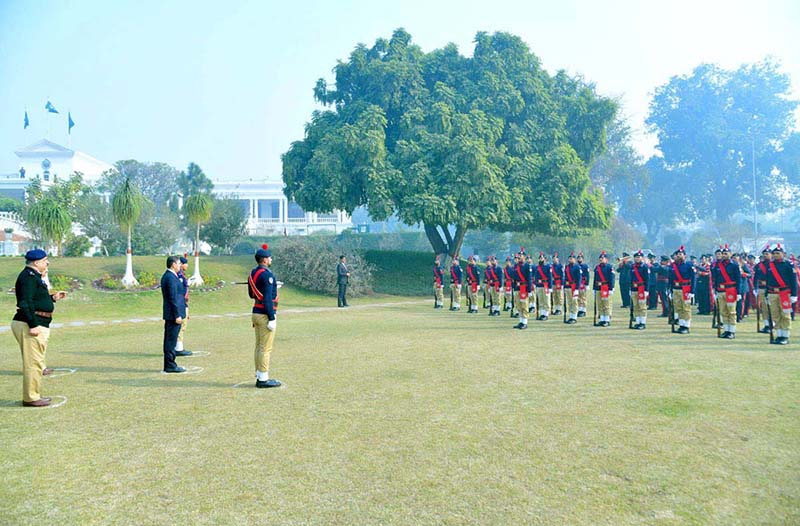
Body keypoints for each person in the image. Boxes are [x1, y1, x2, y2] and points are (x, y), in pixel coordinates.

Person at [11, 249, 67, 407]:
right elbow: (24, 302)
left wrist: (52, 299)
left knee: (35, 361)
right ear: (36, 263)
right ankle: (31, 397)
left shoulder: (34, 277)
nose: (47, 263)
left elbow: (35, 300)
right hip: (30, 324)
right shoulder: (28, 277)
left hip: (36, 322)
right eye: (45, 260)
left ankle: (33, 395)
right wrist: (33, 324)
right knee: (33, 363)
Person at [249, 244, 281, 387]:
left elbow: (251, 294)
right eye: (269, 257)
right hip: (264, 313)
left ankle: (259, 373)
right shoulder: (267, 274)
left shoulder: (252, 273)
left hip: (256, 311)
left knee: (259, 346)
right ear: (264, 260)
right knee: (265, 348)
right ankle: (263, 378)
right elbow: (267, 299)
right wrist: (272, 318)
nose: (270, 259)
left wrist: (273, 287)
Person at [765, 244, 797, 345]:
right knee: (775, 315)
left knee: (785, 315)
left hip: (785, 293)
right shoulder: (770, 265)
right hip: (772, 293)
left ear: (783, 254)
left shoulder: (788, 264)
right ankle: (779, 335)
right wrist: (766, 293)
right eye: (774, 253)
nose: (775, 255)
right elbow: (768, 280)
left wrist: (794, 295)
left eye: (778, 253)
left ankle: (785, 336)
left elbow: (793, 281)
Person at [161, 255, 187, 373]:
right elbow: (172, 298)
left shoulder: (172, 276)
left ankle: (170, 363)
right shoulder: (170, 277)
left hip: (173, 313)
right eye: (178, 263)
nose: (180, 265)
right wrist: (177, 315)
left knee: (170, 340)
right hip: (173, 315)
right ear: (173, 264)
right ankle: (170, 365)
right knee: (170, 341)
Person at [713, 244, 741, 339]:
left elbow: (738, 279)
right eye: (723, 253)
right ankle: (726, 330)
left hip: (731, 290)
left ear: (730, 254)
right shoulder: (718, 265)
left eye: (726, 253)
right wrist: (715, 290)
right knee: (723, 311)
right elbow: (715, 279)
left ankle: (732, 331)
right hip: (721, 290)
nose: (724, 255)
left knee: (731, 311)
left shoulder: (734, 265)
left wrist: (738, 293)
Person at [668, 246, 695, 334]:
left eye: (681, 254)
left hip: (685, 289)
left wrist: (692, 291)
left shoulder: (689, 265)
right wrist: (670, 290)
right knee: (678, 308)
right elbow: (671, 279)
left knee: (686, 308)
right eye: (677, 254)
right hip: (676, 289)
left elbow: (693, 279)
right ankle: (681, 325)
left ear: (685, 256)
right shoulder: (673, 266)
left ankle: (686, 326)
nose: (679, 256)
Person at [174, 254, 193, 357]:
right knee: (182, 325)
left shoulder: (181, 275)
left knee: (183, 325)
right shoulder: (179, 276)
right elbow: (182, 291)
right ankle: (178, 348)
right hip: (181, 303)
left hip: (184, 303)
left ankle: (178, 346)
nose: (187, 266)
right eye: (185, 264)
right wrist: (187, 284)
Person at [593, 251, 615, 327]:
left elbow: (612, 278)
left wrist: (611, 288)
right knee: (600, 304)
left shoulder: (609, 267)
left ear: (606, 259)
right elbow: (595, 279)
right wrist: (594, 289)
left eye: (603, 258)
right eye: (600, 258)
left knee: (606, 304)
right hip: (598, 288)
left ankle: (607, 320)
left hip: (606, 288)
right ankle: (602, 319)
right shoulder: (597, 267)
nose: (601, 259)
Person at [754, 246, 772, 333]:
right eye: (764, 254)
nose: (765, 255)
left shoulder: (774, 265)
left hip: (771, 289)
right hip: (761, 288)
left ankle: (774, 324)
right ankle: (767, 324)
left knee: (772, 308)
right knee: (764, 308)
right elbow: (755, 277)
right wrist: (755, 288)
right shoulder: (758, 266)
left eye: (767, 254)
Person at [630, 249, 650, 330]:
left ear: (642, 258)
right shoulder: (633, 267)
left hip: (642, 288)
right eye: (636, 257)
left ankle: (643, 322)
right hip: (634, 288)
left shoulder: (645, 267)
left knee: (642, 306)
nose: (637, 258)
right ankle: (638, 322)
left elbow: (647, 279)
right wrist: (630, 289)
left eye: (639, 257)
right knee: (636, 306)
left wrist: (646, 290)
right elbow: (631, 279)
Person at [512, 251, 532, 329]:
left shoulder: (527, 266)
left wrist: (529, 290)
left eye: (521, 255)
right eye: (519, 255)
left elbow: (529, 279)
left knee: (524, 305)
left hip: (524, 288)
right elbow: (513, 277)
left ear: (524, 257)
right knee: (518, 305)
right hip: (517, 287)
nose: (520, 257)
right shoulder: (516, 266)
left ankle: (525, 322)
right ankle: (521, 321)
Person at [564, 252, 582, 324]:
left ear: (574, 259)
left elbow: (579, 279)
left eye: (572, 258)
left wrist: (577, 289)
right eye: (570, 258)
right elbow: (565, 277)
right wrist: (564, 287)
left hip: (574, 287)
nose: (571, 259)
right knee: (569, 302)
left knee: (574, 302)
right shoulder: (567, 267)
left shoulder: (577, 267)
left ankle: (574, 317)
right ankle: (571, 316)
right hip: (568, 286)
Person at [533, 252, 552, 321]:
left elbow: (550, 277)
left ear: (545, 259)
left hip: (545, 285)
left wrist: (550, 287)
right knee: (540, 300)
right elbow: (535, 276)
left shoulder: (548, 267)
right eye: (540, 258)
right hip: (539, 285)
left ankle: (546, 314)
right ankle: (542, 313)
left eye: (542, 258)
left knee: (546, 300)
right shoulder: (536, 267)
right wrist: (535, 284)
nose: (540, 259)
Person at [577, 252, 589, 317]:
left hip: (583, 283)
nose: (579, 259)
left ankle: (583, 310)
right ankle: (579, 309)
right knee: (578, 297)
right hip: (577, 283)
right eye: (578, 258)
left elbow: (587, 275)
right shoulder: (576, 266)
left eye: (580, 258)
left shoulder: (585, 266)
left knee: (583, 297)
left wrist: (587, 284)